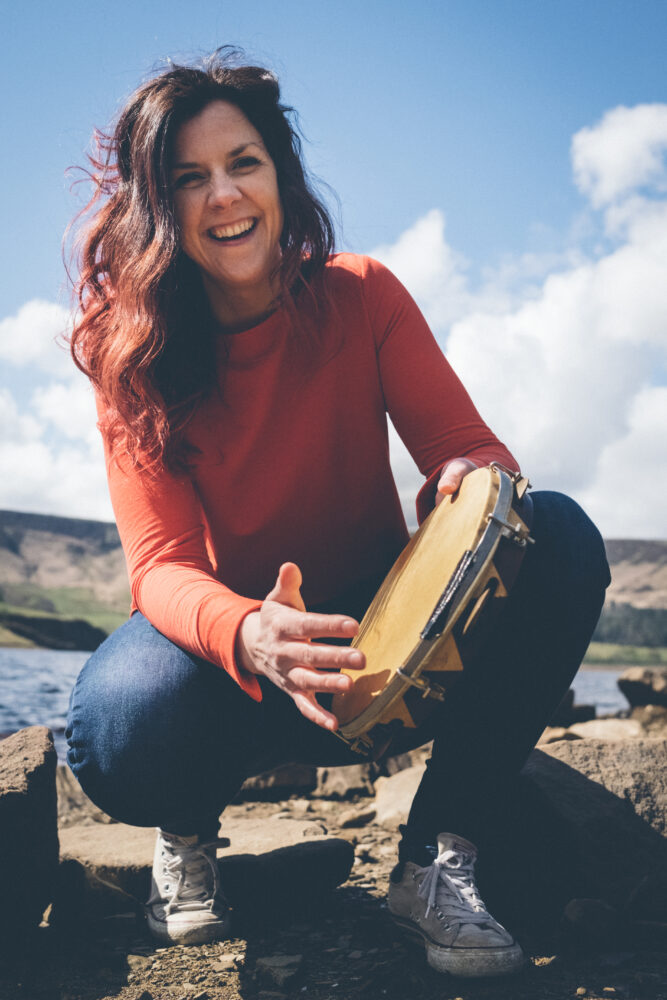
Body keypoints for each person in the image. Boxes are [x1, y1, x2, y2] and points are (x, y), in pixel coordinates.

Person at [65, 49, 610, 979]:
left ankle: (437, 857)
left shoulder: (361, 293)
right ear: (160, 209)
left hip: (382, 652)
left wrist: (460, 484)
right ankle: (188, 837)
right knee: (117, 724)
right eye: (189, 179)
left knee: (553, 533)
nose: (224, 196)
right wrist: (249, 634)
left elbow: (473, 454)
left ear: (280, 172)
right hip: (237, 662)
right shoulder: (134, 355)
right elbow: (157, 565)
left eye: (243, 163)